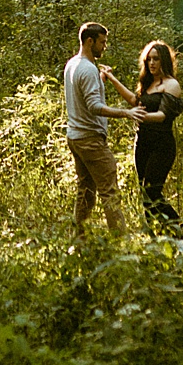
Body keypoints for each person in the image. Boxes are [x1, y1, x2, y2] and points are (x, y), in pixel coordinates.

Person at [63, 21, 145, 238]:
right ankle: (121, 242)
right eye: (102, 42)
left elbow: (84, 94)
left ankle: (79, 240)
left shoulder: (73, 64)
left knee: (86, 191)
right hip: (90, 140)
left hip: (76, 137)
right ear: (90, 41)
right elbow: (94, 106)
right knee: (109, 191)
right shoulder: (87, 69)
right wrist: (126, 113)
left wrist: (101, 79)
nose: (104, 47)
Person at [102, 38, 183, 232]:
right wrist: (112, 79)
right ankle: (157, 237)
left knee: (152, 191)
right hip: (142, 143)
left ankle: (182, 234)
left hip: (162, 144)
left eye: (156, 59)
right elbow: (134, 100)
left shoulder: (172, 85)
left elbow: (162, 116)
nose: (152, 63)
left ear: (164, 60)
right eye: (149, 59)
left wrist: (138, 115)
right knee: (144, 192)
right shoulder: (148, 83)